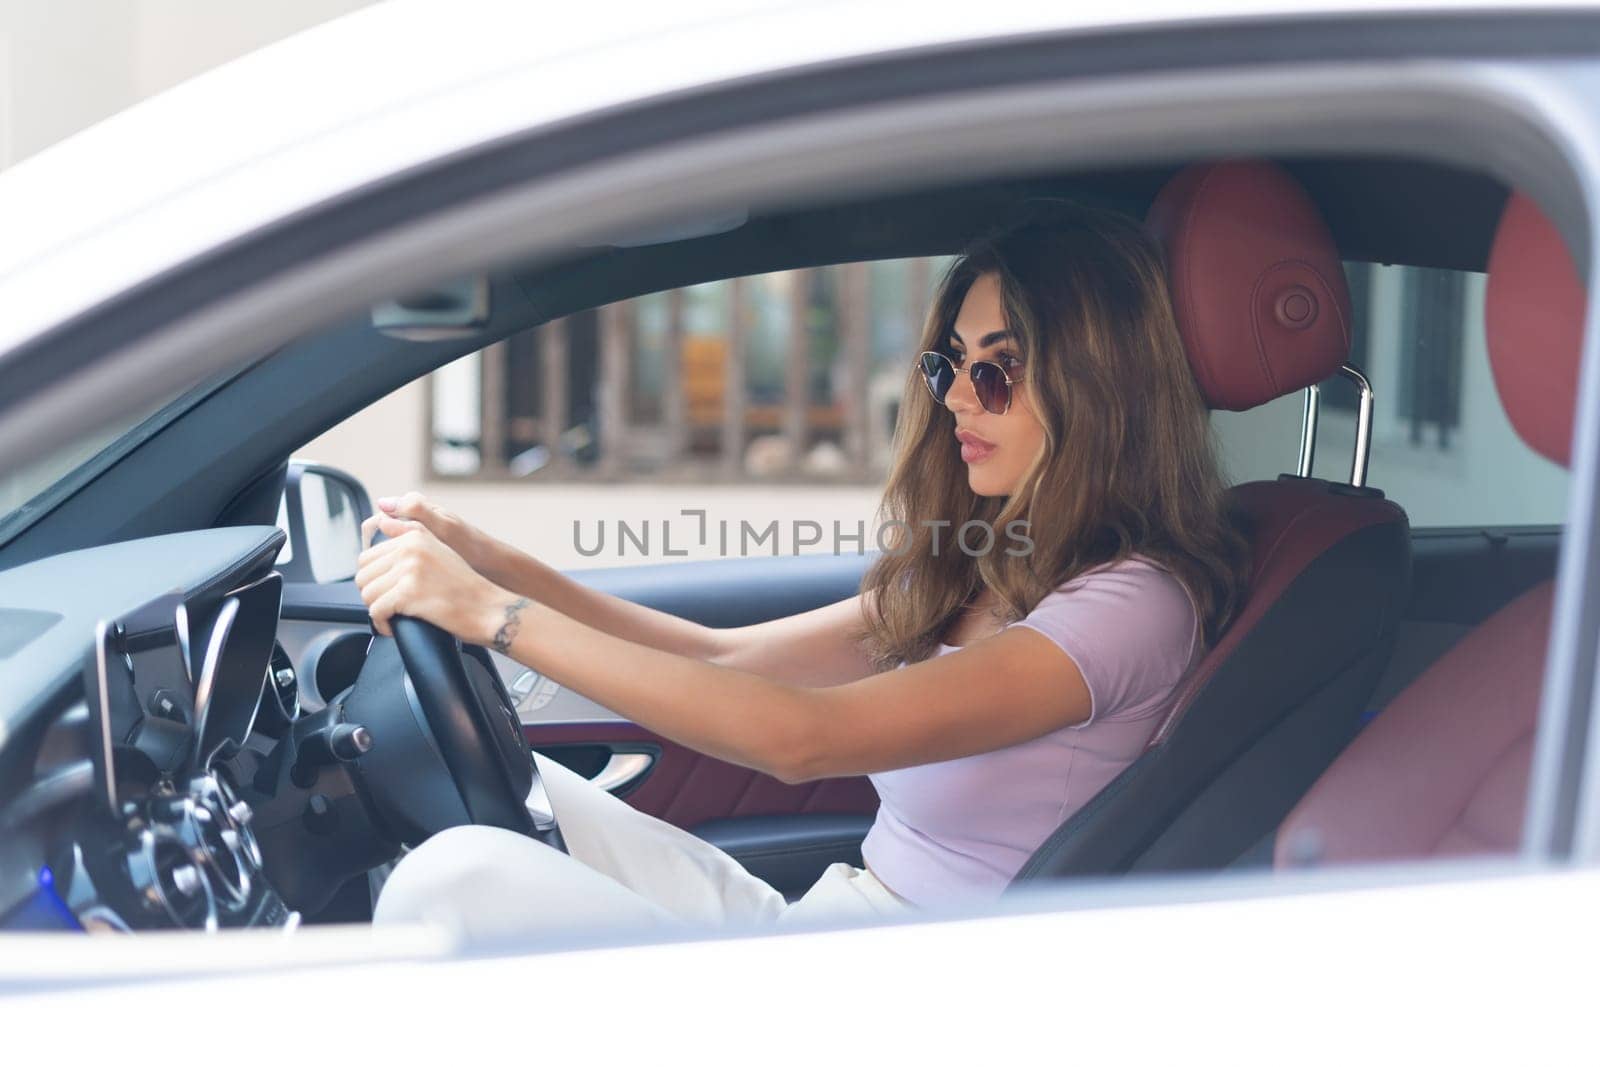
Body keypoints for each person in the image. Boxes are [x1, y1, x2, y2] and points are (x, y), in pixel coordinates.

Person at [355, 205, 1250, 938]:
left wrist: (493, 614)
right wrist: (490, 559)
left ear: (1101, 386)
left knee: (453, 879)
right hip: (829, 925)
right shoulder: (991, 558)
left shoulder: (1131, 605)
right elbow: (724, 658)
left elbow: (801, 737)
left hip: (910, 998)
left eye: (1002, 368)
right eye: (952, 365)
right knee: (505, 791)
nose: (957, 399)